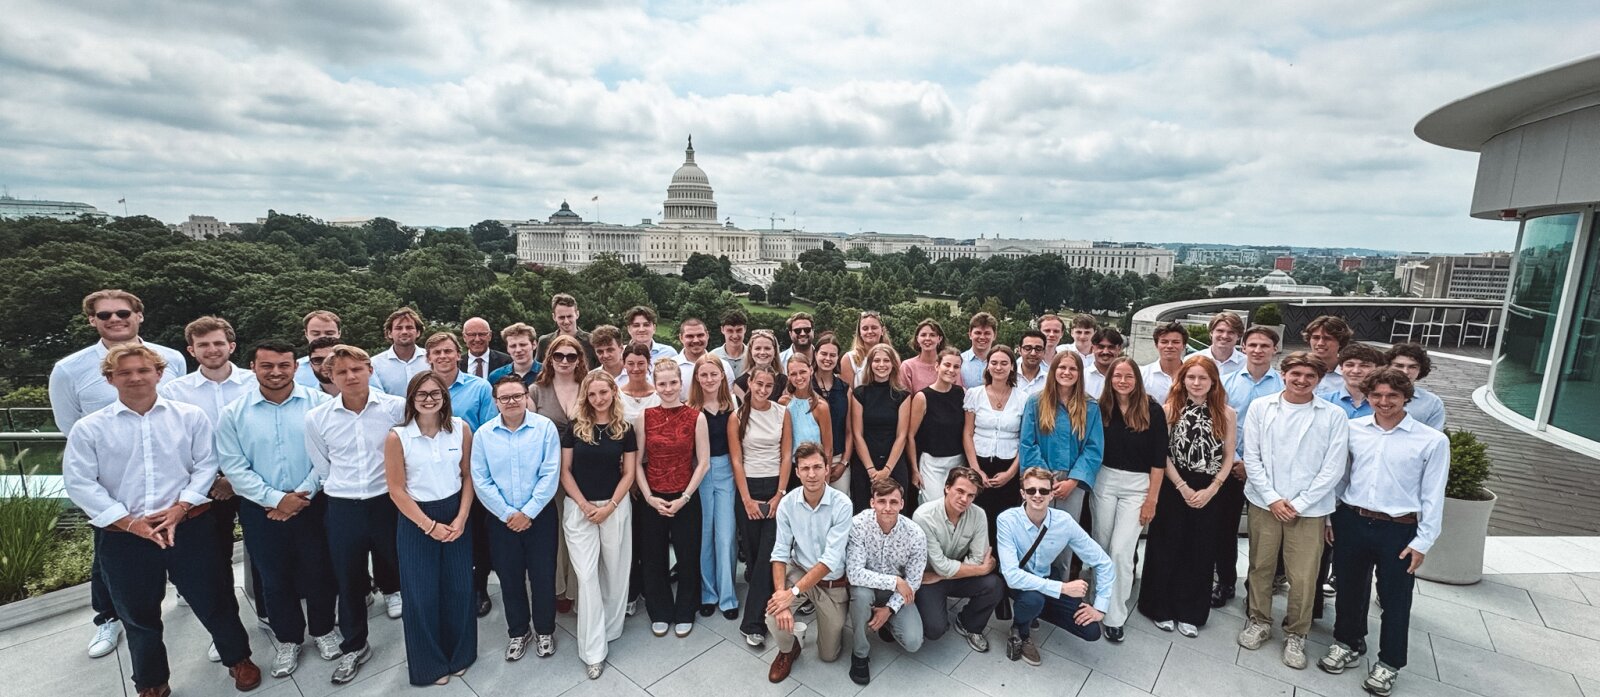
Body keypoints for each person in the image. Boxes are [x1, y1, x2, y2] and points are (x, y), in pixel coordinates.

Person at [64, 343, 263, 696]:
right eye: (124, 372)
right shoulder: (89, 428)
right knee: (137, 612)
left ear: (158, 374)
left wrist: (181, 506)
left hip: (189, 526)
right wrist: (129, 522)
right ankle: (152, 681)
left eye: (143, 370)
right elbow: (80, 482)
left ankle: (238, 658)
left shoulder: (189, 416)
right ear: (110, 379)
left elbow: (206, 464)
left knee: (215, 597)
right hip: (125, 535)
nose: (135, 378)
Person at [51, 290, 188, 660]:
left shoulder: (171, 358)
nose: (115, 319)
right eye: (105, 315)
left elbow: (180, 411)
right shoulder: (69, 369)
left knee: (179, 541)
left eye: (123, 313)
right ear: (92, 320)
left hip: (168, 474)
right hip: (115, 481)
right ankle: (108, 617)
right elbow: (70, 426)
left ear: (138, 316)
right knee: (109, 557)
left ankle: (185, 591)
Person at [1317, 369, 1449, 697]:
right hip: (1352, 520)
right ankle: (1347, 642)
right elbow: (1341, 477)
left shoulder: (1431, 440)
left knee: (1395, 599)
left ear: (1406, 397)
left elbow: (1433, 495)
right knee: (1349, 589)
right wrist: (1332, 518)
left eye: (1392, 395)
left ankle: (1389, 662)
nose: (1384, 401)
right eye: (1376, 395)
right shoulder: (1353, 429)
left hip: (1399, 529)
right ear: (1368, 396)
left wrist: (1423, 541)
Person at [215, 340, 339, 678]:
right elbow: (234, 467)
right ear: (253, 367)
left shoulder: (320, 404)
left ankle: (324, 629)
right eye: (267, 365)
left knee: (319, 570)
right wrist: (276, 499)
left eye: (284, 365)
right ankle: (288, 639)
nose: (276, 372)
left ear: (295, 367)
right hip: (260, 508)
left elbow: (329, 454)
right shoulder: (234, 414)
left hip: (313, 502)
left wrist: (301, 494)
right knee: (273, 577)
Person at [1237, 352, 1349, 670]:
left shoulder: (1333, 415)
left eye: (1310, 376)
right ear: (1283, 374)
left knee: (1303, 576)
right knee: (1261, 566)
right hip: (1265, 503)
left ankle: (1296, 633)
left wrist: (1299, 503)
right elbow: (1252, 457)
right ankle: (1259, 620)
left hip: (1309, 510)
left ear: (1319, 379)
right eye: (1295, 374)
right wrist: (1273, 498)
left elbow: (1334, 467)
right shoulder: (1262, 407)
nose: (1301, 380)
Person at [158, 316, 265, 640]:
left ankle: (268, 613)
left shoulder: (255, 382)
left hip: (254, 481)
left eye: (218, 343)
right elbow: (175, 443)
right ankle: (228, 633)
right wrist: (215, 479)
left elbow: (264, 434)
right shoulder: (174, 391)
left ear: (231, 346)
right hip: (205, 487)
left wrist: (236, 478)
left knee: (263, 553)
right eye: (203, 344)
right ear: (191, 350)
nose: (212, 349)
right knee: (215, 561)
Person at [304, 344, 406, 684]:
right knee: (348, 580)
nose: (350, 376)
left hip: (387, 503)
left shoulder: (395, 408)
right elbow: (323, 466)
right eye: (341, 372)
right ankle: (355, 646)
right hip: (343, 507)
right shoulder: (317, 418)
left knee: (404, 569)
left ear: (369, 371)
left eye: (356, 369)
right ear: (330, 376)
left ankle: (423, 637)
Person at [383, 372, 478, 686]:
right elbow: (396, 490)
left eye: (435, 393)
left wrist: (462, 517)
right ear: (411, 398)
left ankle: (460, 654)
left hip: (455, 513)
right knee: (421, 594)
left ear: (444, 397)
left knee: (460, 588)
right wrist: (428, 525)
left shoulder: (460, 429)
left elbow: (467, 476)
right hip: (416, 519)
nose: (429, 399)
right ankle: (430, 664)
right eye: (421, 394)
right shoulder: (398, 437)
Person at [1137, 355, 1237, 638]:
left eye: (1202, 378)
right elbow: (1162, 453)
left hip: (1210, 488)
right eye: (1191, 377)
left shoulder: (1227, 413)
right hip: (1174, 485)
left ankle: (1190, 611)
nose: (1196, 383)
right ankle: (1160, 607)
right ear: (1182, 380)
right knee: (1166, 547)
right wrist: (1182, 486)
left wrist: (1213, 488)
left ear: (1213, 382)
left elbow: (1229, 455)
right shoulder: (1169, 410)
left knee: (1200, 550)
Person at [472, 375, 563, 663]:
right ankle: (519, 631)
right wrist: (508, 514)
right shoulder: (483, 435)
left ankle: (545, 630)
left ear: (526, 397)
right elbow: (481, 480)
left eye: (517, 396)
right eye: (505, 398)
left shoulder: (544, 428)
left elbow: (550, 472)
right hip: (501, 520)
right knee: (509, 578)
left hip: (540, 515)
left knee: (542, 576)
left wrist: (529, 511)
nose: (511, 402)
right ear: (496, 402)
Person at [559, 372, 637, 680]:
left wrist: (610, 507)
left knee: (615, 572)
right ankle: (593, 652)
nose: (598, 399)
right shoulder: (574, 427)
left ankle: (609, 629)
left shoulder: (625, 429)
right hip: (579, 509)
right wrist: (585, 505)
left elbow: (629, 473)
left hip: (614, 507)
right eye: (592, 394)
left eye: (603, 392)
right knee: (587, 576)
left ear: (613, 392)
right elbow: (565, 471)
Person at [997, 467, 1114, 666]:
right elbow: (1012, 576)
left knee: (1091, 630)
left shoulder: (1064, 522)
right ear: (1023, 493)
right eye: (1031, 490)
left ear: (1052, 495)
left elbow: (1103, 562)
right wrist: (1062, 588)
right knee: (1033, 599)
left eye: (1043, 490)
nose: (1037, 495)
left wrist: (1100, 607)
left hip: (1046, 578)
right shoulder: (1007, 520)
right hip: (1017, 584)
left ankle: (1034, 611)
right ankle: (1020, 630)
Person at [1090, 357, 1167, 642]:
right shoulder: (1100, 409)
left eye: (1128, 376)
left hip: (1138, 486)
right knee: (1101, 545)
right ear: (1110, 379)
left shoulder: (1152, 410)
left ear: (1137, 379)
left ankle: (1114, 615)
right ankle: (1097, 601)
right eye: (1117, 376)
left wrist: (1152, 500)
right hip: (1104, 481)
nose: (1122, 381)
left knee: (1122, 551)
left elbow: (1159, 461)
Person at [765, 443, 854, 683]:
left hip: (830, 582)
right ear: (797, 472)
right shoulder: (787, 504)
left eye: (817, 467)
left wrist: (791, 593)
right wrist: (782, 595)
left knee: (828, 655)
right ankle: (788, 649)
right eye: (805, 468)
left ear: (827, 469)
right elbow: (780, 552)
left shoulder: (842, 504)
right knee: (773, 614)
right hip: (800, 571)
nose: (811, 474)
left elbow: (829, 561)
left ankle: (833, 619)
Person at [636, 357, 712, 637]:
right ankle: (659, 610)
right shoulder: (645, 417)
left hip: (685, 496)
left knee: (688, 556)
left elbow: (703, 462)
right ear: (655, 385)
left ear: (681, 384)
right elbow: (637, 462)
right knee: (653, 557)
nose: (668, 389)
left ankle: (685, 610)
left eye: (673, 383)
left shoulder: (696, 417)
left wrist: (685, 497)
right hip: (653, 496)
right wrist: (648, 497)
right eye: (662, 383)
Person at [425, 332, 497, 615]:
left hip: (471, 471)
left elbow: (489, 430)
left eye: (447, 351)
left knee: (476, 533)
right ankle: (448, 587)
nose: (443, 356)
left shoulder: (479, 387)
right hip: (433, 474)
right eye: (437, 352)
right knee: (441, 531)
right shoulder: (420, 388)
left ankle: (479, 587)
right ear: (429, 358)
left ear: (459, 354)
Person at [1215, 326, 1286, 607]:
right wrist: (1235, 460)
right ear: (1243, 347)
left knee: (1264, 535)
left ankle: (1257, 590)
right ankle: (1225, 582)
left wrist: (1253, 466)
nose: (1258, 350)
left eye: (1264, 346)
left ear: (1275, 350)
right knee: (1225, 529)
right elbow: (1217, 425)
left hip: (1268, 472)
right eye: (1253, 345)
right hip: (1230, 468)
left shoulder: (1283, 386)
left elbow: (1283, 435)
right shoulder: (1226, 382)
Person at [1019, 349, 1104, 577]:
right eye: (1062, 367)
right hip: (1039, 478)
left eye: (1072, 368)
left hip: (1072, 482)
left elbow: (1093, 448)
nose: (1067, 372)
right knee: (1035, 532)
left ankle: (1061, 586)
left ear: (1080, 373)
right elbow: (1027, 443)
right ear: (1053, 370)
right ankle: (1032, 585)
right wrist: (1044, 480)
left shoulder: (1090, 406)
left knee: (1065, 535)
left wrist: (1073, 481)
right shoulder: (1036, 402)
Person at [730, 365, 793, 646]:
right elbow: (736, 460)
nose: (763, 390)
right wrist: (746, 499)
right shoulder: (737, 416)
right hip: (749, 488)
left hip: (776, 487)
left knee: (770, 552)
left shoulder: (782, 413)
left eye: (769, 385)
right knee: (755, 555)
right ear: (750, 384)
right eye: (759, 384)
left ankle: (753, 623)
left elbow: (786, 455)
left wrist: (780, 494)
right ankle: (769, 601)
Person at [963, 344, 1026, 618]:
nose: (999, 367)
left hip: (1007, 468)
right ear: (987, 366)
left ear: (1012, 367)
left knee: (1004, 527)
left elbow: (1024, 439)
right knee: (980, 524)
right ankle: (978, 580)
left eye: (1004, 363)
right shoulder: (975, 394)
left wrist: (1011, 473)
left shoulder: (1023, 398)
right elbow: (967, 433)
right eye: (994, 363)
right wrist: (975, 470)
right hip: (979, 466)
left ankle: (1001, 585)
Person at [912, 467, 1002, 652]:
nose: (964, 499)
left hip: (946, 575)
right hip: (926, 578)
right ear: (947, 488)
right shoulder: (923, 516)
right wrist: (980, 570)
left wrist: (942, 574)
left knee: (995, 585)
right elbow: (942, 565)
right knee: (934, 630)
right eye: (960, 491)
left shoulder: (978, 514)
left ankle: (969, 624)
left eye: (971, 495)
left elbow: (979, 558)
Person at [846, 479, 926, 684]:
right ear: (872, 502)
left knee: (913, 642)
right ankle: (860, 654)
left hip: (896, 593)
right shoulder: (858, 525)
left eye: (893, 502)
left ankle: (885, 621)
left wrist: (890, 609)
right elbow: (854, 573)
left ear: (902, 504)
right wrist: (895, 581)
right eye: (882, 501)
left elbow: (913, 581)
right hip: (866, 586)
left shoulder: (915, 534)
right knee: (861, 595)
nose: (887, 507)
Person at [531, 334, 588, 614]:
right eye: (559, 355)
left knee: (580, 532)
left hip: (584, 472)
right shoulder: (536, 391)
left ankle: (579, 589)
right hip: (549, 473)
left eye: (571, 356)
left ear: (579, 360)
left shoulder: (588, 387)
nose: (565, 361)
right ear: (549, 358)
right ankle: (558, 588)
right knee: (555, 535)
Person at [690, 354, 741, 621]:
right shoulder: (690, 409)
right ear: (697, 378)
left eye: (713, 374)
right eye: (704, 375)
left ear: (722, 376)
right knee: (704, 535)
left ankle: (727, 595)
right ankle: (708, 593)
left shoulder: (732, 406)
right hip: (699, 473)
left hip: (725, 473)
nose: (709, 379)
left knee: (725, 536)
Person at [850, 343, 912, 511]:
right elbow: (857, 434)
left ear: (893, 364)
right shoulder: (860, 393)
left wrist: (886, 470)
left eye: (886, 360)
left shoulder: (903, 395)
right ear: (870, 364)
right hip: (865, 463)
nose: (881, 365)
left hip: (894, 462)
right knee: (864, 512)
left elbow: (902, 435)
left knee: (894, 511)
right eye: (877, 360)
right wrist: (871, 469)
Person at [907, 348, 966, 505]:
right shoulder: (922, 397)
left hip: (958, 463)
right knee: (934, 507)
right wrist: (914, 470)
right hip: (931, 464)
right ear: (937, 366)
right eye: (947, 365)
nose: (951, 370)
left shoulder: (962, 393)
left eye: (956, 366)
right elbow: (910, 436)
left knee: (955, 507)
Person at [811, 332, 853, 494]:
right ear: (816, 354)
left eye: (832, 355)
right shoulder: (805, 385)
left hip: (837, 459)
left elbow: (849, 430)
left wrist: (844, 462)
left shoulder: (844, 389)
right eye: (823, 354)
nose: (828, 358)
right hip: (810, 460)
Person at [785, 353, 833, 468]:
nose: (798, 378)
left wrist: (825, 476)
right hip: (791, 467)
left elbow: (828, 449)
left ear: (811, 370)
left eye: (802, 372)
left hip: (814, 468)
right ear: (788, 376)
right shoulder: (784, 403)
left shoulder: (820, 406)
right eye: (793, 374)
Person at [1385, 343, 1447, 430]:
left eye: (1412, 367)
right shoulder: (1370, 397)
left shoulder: (1432, 403)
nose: (1405, 372)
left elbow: (1435, 436)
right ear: (1387, 367)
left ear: (1420, 370)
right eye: (1399, 366)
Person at [1317, 343, 1386, 418]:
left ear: (1377, 369)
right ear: (1341, 368)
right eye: (1350, 365)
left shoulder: (1386, 405)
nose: (1355, 371)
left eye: (1364, 366)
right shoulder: (1322, 401)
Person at [372, 307, 428, 396]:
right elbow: (376, 396)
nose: (404, 332)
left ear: (418, 332)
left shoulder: (431, 359)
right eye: (398, 328)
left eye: (409, 327)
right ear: (389, 333)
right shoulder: (375, 364)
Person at [537, 293, 598, 367]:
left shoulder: (592, 341)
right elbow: (538, 370)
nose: (566, 321)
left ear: (577, 314)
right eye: (561, 317)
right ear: (554, 317)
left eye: (569, 316)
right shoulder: (544, 342)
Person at [1303, 315, 1354, 395]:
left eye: (1327, 338)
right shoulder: (1296, 369)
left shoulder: (1351, 375)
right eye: (1316, 338)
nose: (1320, 343)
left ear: (1340, 342)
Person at [674, 317, 731, 386]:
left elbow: (729, 392)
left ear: (707, 335)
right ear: (681, 338)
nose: (696, 340)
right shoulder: (671, 367)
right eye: (690, 336)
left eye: (700, 335)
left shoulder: (724, 366)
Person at [293, 310, 343, 389]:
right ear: (306, 334)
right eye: (315, 334)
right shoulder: (295, 371)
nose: (322, 337)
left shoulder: (359, 366)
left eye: (329, 333)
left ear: (339, 333)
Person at [733, 329, 787, 400]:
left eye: (767, 348)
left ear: (775, 351)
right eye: (758, 348)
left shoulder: (785, 381)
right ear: (750, 351)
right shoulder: (740, 384)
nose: (762, 352)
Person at [841, 310, 888, 387]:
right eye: (865, 328)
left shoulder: (892, 357)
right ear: (860, 333)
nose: (870, 331)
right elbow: (847, 392)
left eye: (874, 328)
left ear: (882, 330)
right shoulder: (849, 359)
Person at [618, 342, 662, 423]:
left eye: (641, 363)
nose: (636, 368)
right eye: (631, 364)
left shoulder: (659, 396)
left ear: (648, 363)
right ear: (624, 364)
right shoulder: (617, 397)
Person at [1142, 321, 1187, 401]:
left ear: (1183, 346)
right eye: (1164, 342)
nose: (1169, 346)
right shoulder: (1143, 374)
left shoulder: (1193, 375)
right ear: (1156, 345)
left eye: (1175, 342)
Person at [487, 322, 542, 386]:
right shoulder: (495, 377)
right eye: (513, 346)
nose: (518, 350)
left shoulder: (547, 373)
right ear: (507, 348)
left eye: (523, 345)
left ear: (534, 345)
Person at [899, 318, 946, 393]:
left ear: (939, 339)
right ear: (917, 339)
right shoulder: (907, 367)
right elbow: (904, 397)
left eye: (932, 335)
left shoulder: (948, 365)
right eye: (923, 335)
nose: (927, 338)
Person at [1081, 327, 1124, 398]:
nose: (1105, 352)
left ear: (1119, 349)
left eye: (1111, 347)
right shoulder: (1082, 376)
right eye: (1101, 347)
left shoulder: (1127, 379)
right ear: (1093, 348)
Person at [959, 312, 998, 388]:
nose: (982, 337)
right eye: (978, 333)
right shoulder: (959, 361)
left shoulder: (1001, 365)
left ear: (994, 336)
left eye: (987, 333)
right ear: (970, 334)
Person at [710, 309, 750, 380]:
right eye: (730, 331)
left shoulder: (753, 356)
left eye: (739, 330)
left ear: (745, 329)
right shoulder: (712, 357)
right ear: (722, 330)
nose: (735, 336)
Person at [1203, 312, 1247, 377]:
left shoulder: (1247, 364)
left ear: (1239, 336)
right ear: (1211, 332)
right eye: (1220, 331)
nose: (1225, 336)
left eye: (1231, 332)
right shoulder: (1192, 360)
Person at [1015, 330, 1049, 396]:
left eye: (1038, 349)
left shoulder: (1049, 381)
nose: (1033, 353)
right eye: (1028, 348)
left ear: (1044, 352)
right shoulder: (1008, 377)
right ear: (1019, 350)